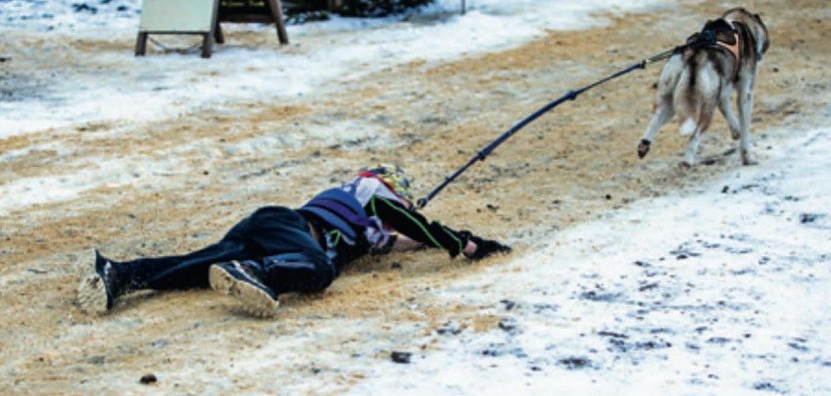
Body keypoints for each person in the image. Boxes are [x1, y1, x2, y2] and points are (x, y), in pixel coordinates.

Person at [77, 164, 511, 318]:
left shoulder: (364, 221)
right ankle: (259, 275)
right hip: (295, 234)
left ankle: (121, 275)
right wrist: (465, 244)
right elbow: (407, 223)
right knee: (321, 271)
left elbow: (401, 239)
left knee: (200, 266)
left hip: (271, 228)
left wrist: (420, 238)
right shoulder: (370, 196)